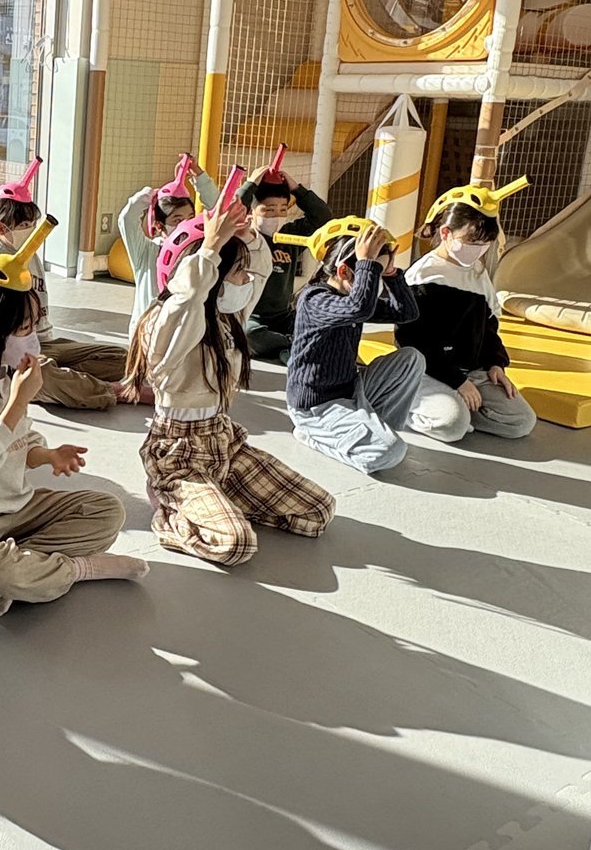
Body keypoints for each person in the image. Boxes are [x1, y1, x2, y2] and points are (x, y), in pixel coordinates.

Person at [0, 217, 148, 617]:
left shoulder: (3, 375)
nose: (33, 339)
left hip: (15, 509)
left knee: (108, 512)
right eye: (23, 329)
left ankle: (21, 571)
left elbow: (20, 442)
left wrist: (47, 455)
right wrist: (17, 404)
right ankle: (73, 569)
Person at [123, 202, 333, 566]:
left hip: (223, 440)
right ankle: (170, 505)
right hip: (179, 453)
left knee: (318, 510)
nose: (245, 281)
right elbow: (186, 297)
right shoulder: (168, 322)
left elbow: (261, 272)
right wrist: (209, 248)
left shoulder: (228, 315)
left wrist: (248, 236)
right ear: (213, 277)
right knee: (236, 545)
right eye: (237, 273)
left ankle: (217, 500)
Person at [0, 162, 132, 409]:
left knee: (122, 358)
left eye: (32, 223)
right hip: (10, 353)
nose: (31, 230)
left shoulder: (29, 253)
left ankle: (64, 379)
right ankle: (110, 391)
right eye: (24, 225)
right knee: (41, 376)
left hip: (45, 343)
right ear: (1, 228)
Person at [396, 185, 536, 443]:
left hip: (473, 372)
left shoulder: (477, 273)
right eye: (472, 242)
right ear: (445, 233)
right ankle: (407, 403)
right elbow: (414, 342)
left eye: (485, 244)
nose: (479, 249)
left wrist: (496, 363)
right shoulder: (423, 276)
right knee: (452, 427)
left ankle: (460, 409)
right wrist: (457, 382)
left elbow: (489, 327)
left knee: (522, 421)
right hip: (430, 371)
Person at [285, 221, 425, 474]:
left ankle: (372, 427)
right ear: (344, 271)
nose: (374, 281)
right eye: (371, 273)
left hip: (351, 389)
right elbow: (359, 308)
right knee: (390, 453)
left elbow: (406, 312)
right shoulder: (315, 299)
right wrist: (368, 264)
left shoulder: (353, 298)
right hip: (316, 406)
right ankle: (311, 435)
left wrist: (392, 275)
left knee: (412, 358)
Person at [238, 166, 332, 364]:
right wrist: (250, 185)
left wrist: (297, 189)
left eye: (283, 210)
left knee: (322, 324)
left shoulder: (290, 235)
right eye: (269, 210)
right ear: (252, 211)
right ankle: (293, 344)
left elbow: (323, 217)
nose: (276, 216)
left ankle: (288, 344)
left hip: (284, 317)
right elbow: (228, 212)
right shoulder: (245, 238)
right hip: (252, 317)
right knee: (247, 336)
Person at [119, 153, 220, 335]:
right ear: (159, 225)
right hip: (148, 332)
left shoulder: (196, 250)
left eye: (190, 218)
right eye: (177, 220)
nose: (185, 225)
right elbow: (127, 219)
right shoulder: (147, 252)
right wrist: (151, 194)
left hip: (181, 334)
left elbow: (218, 210)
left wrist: (199, 177)